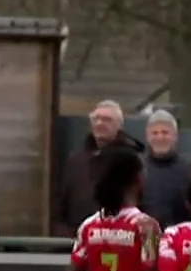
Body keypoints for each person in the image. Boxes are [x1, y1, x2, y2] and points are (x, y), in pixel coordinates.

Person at [53, 101, 141, 236]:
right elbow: (63, 202)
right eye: (96, 119)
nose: (100, 123)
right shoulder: (76, 159)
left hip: (119, 239)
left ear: (119, 125)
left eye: (107, 120)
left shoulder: (130, 159)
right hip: (77, 239)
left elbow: (141, 200)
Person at [141, 110, 191, 227]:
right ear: (147, 137)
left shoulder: (190, 170)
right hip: (144, 238)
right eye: (155, 133)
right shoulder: (136, 168)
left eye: (165, 133)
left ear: (175, 137)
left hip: (178, 238)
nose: (160, 137)